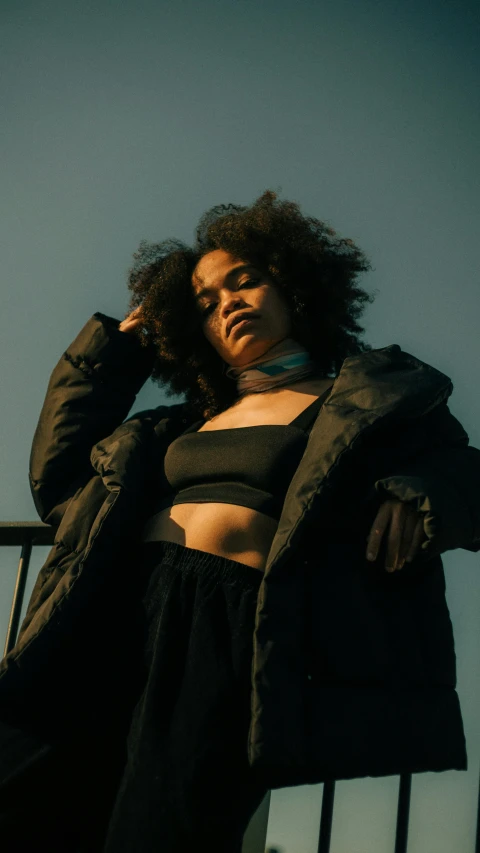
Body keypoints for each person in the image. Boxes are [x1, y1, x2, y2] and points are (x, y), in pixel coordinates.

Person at [1, 190, 480, 853]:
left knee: (159, 832)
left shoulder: (373, 400)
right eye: (203, 302)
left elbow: (467, 475)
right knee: (22, 801)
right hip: (114, 614)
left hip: (227, 634)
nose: (226, 301)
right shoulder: (175, 426)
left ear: (294, 284)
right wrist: (115, 350)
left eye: (244, 279)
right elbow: (59, 486)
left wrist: (415, 490)